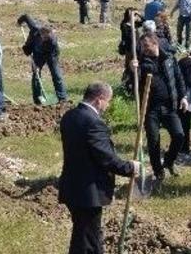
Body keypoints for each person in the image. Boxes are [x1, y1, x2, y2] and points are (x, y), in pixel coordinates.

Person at [59, 82, 140, 254]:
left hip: (72, 186)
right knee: (90, 240)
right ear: (99, 100)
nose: (108, 105)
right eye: (108, 101)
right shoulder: (94, 123)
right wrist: (130, 167)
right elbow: (105, 158)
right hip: (89, 191)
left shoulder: (69, 116)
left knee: (83, 236)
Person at [138, 33, 189, 180]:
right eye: (143, 48)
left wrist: (184, 97)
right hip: (150, 109)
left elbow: (179, 78)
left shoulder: (169, 58)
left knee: (179, 135)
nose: (145, 50)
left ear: (156, 44)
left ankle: (169, 161)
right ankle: (158, 171)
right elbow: (134, 78)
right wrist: (133, 68)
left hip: (169, 106)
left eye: (147, 47)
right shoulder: (142, 62)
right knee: (153, 141)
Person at [18, 14, 68, 105]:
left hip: (51, 55)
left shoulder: (52, 41)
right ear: (40, 33)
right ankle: (38, 99)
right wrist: (19, 22)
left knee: (56, 74)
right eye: (43, 37)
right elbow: (25, 16)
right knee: (36, 74)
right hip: (38, 53)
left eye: (46, 38)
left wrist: (37, 64)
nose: (44, 39)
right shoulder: (35, 28)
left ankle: (62, 98)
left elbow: (49, 53)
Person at [117, 8, 143, 88]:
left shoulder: (135, 24)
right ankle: (126, 82)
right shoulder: (124, 24)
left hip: (138, 48)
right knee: (129, 66)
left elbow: (144, 21)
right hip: (130, 49)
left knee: (137, 65)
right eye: (133, 15)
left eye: (135, 15)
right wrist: (132, 24)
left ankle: (136, 81)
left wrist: (139, 14)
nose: (135, 17)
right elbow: (128, 37)